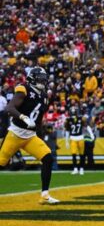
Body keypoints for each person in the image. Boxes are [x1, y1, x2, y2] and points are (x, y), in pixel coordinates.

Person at [0, 67, 59, 204]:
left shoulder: (44, 96)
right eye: (41, 78)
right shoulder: (23, 88)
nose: (43, 81)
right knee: (1, 162)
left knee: (48, 159)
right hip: (15, 133)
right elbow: (10, 108)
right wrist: (23, 117)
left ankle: (44, 195)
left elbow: (37, 120)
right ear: (32, 78)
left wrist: (41, 133)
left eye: (44, 78)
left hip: (30, 137)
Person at [65, 106, 94, 175]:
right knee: (74, 154)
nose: (73, 113)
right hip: (73, 138)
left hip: (80, 137)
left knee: (82, 154)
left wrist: (91, 134)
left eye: (73, 112)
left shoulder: (81, 118)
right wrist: (66, 141)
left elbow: (87, 126)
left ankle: (81, 168)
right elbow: (67, 131)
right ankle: (75, 168)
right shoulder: (68, 120)